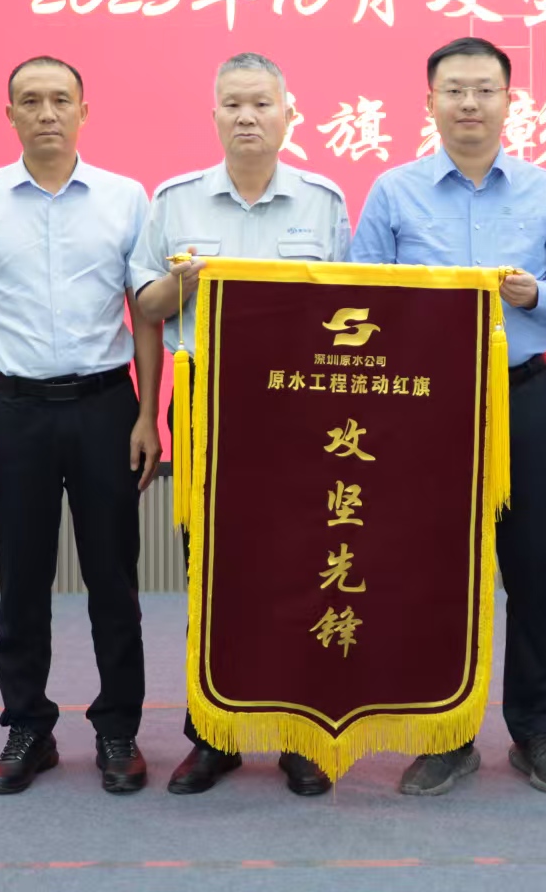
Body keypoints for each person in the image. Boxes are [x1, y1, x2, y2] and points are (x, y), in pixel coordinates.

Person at [351, 36, 546, 797]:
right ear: (429, 102)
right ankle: (445, 735)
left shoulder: (545, 190)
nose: (469, 103)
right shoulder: (394, 191)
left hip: (523, 397)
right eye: (453, 89)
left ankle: (536, 731)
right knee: (435, 576)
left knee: (535, 571)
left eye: (484, 89)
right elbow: (357, 295)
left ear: (508, 102)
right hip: (426, 405)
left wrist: (537, 295)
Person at [0, 55, 161, 796]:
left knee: (113, 579)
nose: (47, 113)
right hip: (12, 412)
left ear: (84, 111)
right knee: (21, 580)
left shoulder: (126, 199)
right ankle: (28, 727)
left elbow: (146, 315)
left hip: (104, 408)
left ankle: (118, 728)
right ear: (10, 115)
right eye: (30, 101)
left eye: (61, 99)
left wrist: (147, 414)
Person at [136, 52, 349, 797]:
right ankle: (213, 734)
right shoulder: (176, 201)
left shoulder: (323, 201)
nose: (247, 117)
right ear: (215, 115)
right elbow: (147, 306)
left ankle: (298, 735)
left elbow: (355, 310)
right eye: (232, 104)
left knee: (301, 569)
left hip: (301, 408)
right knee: (210, 571)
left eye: (261, 103)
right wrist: (179, 282)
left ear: (289, 113)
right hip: (209, 401)